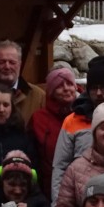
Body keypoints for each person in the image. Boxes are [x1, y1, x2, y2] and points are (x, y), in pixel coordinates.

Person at [49, 56, 104, 200]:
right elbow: (60, 167)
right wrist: (58, 206)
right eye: (94, 88)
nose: (99, 93)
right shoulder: (72, 120)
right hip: (81, 201)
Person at [29, 66, 79, 197]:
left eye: (69, 83)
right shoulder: (39, 119)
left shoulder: (85, 114)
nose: (66, 88)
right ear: (51, 92)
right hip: (49, 188)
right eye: (60, 85)